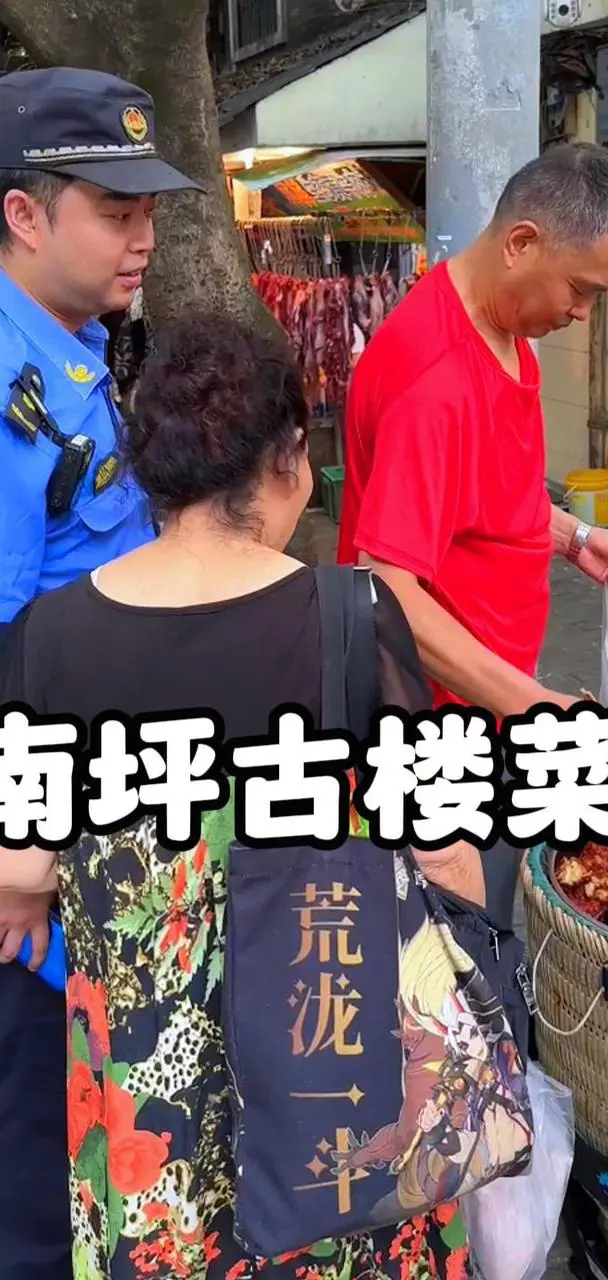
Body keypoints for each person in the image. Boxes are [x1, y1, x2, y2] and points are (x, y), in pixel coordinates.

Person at [0, 313, 484, 1280]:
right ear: (290, 455)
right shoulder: (353, 617)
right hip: (333, 1058)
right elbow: (443, 852)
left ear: (151, 467)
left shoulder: (52, 635)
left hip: (153, 1104)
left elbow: (22, 866)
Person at [338, 141, 608, 928]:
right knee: (453, 941)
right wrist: (542, 708)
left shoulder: (503, 331)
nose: (581, 315)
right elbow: (388, 589)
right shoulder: (434, 378)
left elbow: (485, 492)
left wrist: (574, 537)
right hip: (435, 724)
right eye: (581, 290)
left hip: (495, 698)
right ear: (521, 242)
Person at [0, 66, 200, 1280]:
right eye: (116, 210)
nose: (144, 237)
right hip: (31, 857)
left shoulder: (70, 345)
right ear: (25, 214)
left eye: (150, 210)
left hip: (94, 811)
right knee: (33, 1165)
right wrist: (22, 848)